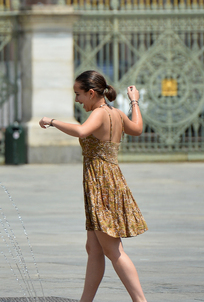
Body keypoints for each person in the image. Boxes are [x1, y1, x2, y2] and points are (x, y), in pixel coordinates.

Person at [38, 70, 148, 302]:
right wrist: (134, 101)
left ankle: (140, 301)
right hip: (107, 181)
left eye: (78, 94)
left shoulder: (99, 113)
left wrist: (52, 121)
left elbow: (81, 131)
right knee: (95, 249)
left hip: (101, 184)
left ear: (91, 93)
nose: (77, 100)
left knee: (112, 250)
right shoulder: (116, 113)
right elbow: (137, 128)